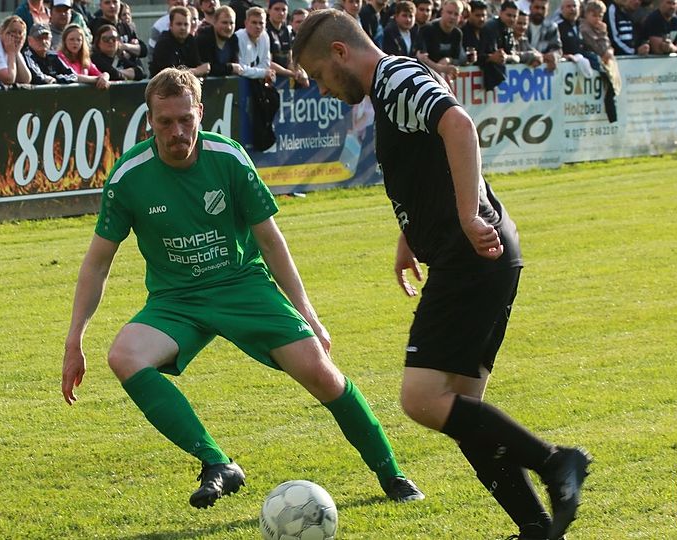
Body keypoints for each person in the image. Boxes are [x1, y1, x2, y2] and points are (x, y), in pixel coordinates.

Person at [61, 66, 425, 509]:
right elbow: (97, 263)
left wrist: (309, 315)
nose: (177, 132)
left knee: (322, 374)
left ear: (200, 112)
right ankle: (217, 462)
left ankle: (392, 474)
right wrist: (75, 339)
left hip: (242, 285)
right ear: (149, 120)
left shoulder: (228, 158)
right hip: (177, 300)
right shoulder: (129, 176)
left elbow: (270, 240)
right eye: (165, 122)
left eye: (185, 120)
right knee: (125, 356)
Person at [292, 10, 591, 540]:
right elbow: (427, 160)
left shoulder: (393, 79)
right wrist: (410, 235)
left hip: (470, 254)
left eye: (318, 75)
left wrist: (470, 214)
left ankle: (555, 463)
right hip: (476, 253)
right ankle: (537, 528)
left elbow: (458, 125)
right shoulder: (392, 85)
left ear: (340, 53)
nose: (322, 88)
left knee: (423, 398)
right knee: (462, 408)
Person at [149, 6, 209, 76]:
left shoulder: (191, 40)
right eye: (179, 24)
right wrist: (197, 71)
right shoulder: (164, 43)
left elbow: (197, 64)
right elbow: (171, 74)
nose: (183, 28)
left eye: (186, 24)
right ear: (170, 25)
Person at [418, 0, 464, 78]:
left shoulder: (457, 33)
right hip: (426, 75)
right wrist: (441, 68)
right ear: (442, 12)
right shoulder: (427, 29)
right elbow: (422, 58)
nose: (452, 17)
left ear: (460, 17)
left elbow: (458, 58)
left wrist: (448, 60)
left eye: (456, 14)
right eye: (449, 12)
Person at [195, 4, 241, 76]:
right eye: (224, 23)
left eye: (231, 23)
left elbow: (236, 67)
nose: (228, 27)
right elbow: (208, 68)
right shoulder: (203, 39)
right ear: (214, 22)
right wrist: (230, 68)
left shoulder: (233, 39)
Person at [526, 0, 560, 70]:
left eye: (543, 8)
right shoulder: (521, 24)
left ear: (547, 10)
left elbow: (557, 48)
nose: (539, 11)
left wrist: (554, 56)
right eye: (537, 7)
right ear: (530, 8)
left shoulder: (551, 27)